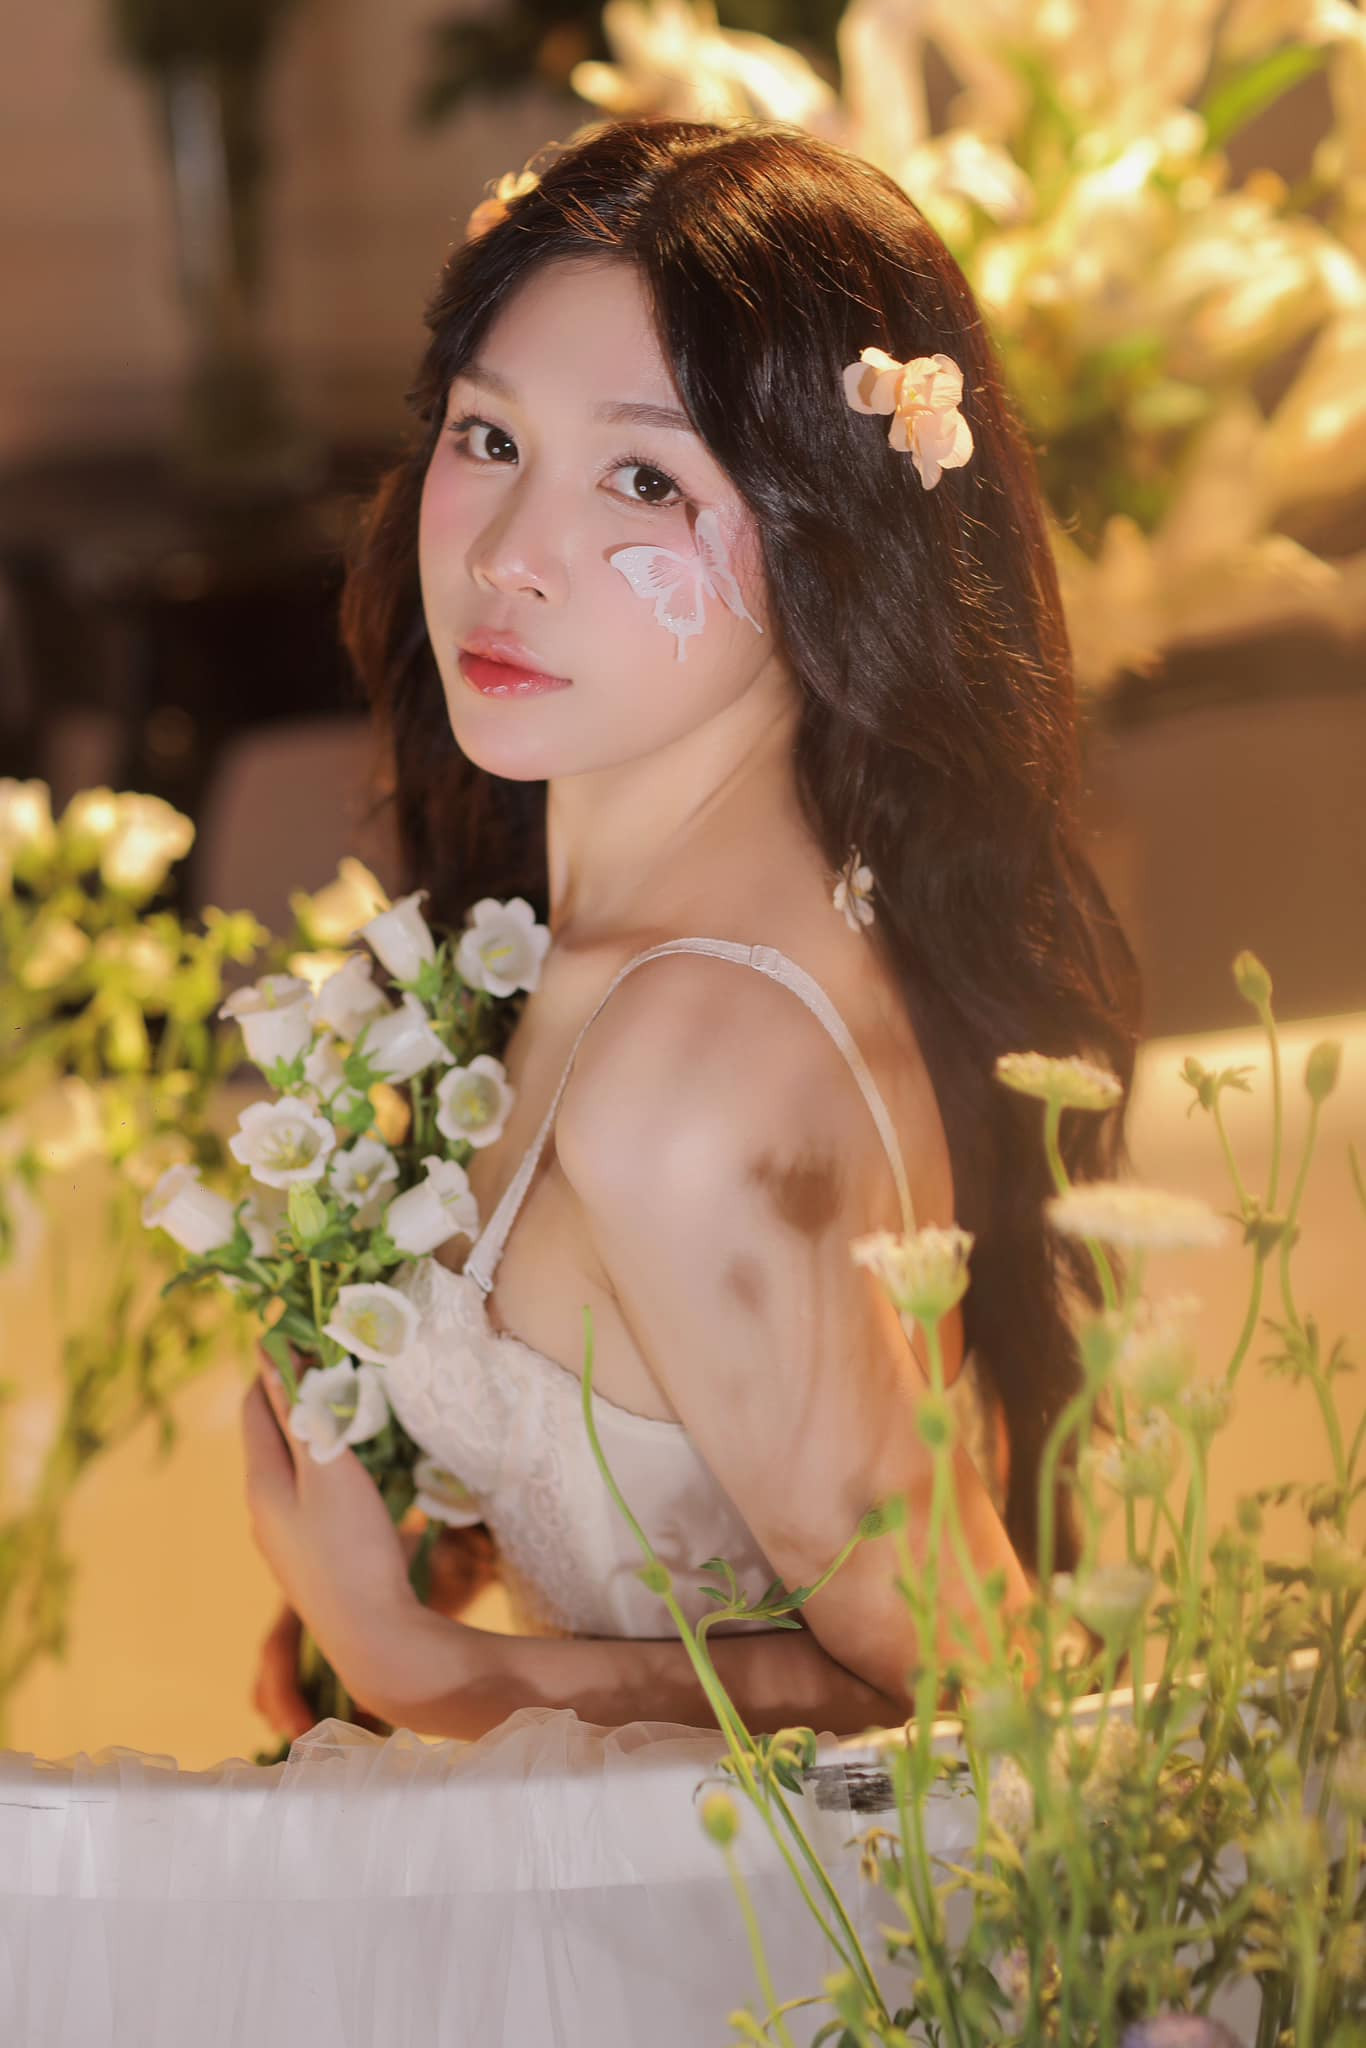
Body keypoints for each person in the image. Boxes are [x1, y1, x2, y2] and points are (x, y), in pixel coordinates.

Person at [243, 114, 1143, 1750]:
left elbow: (989, 1703)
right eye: (489, 437)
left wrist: (419, 1667)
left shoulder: (690, 1075)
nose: (509, 560)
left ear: (829, 540)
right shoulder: (591, 940)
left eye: (645, 478)